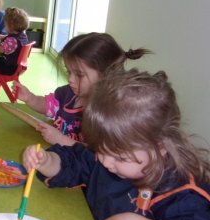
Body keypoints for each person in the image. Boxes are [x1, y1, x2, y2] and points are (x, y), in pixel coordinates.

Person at [23, 69, 210, 220]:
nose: (105, 161)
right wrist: (46, 161)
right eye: (100, 149)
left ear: (160, 147)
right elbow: (75, 161)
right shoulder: (107, 157)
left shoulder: (184, 192)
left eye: (120, 158)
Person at [14, 32, 150, 146]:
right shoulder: (68, 94)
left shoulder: (107, 114)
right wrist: (30, 98)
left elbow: (98, 156)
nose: (70, 79)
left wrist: (61, 140)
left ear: (106, 75)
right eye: (69, 72)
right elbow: (48, 106)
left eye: (79, 75)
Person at [0, 7, 29, 90]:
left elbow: (2, 49)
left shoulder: (12, 40)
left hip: (9, 68)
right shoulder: (21, 36)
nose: (5, 26)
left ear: (10, 26)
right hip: (18, 67)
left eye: (5, 24)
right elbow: (6, 38)